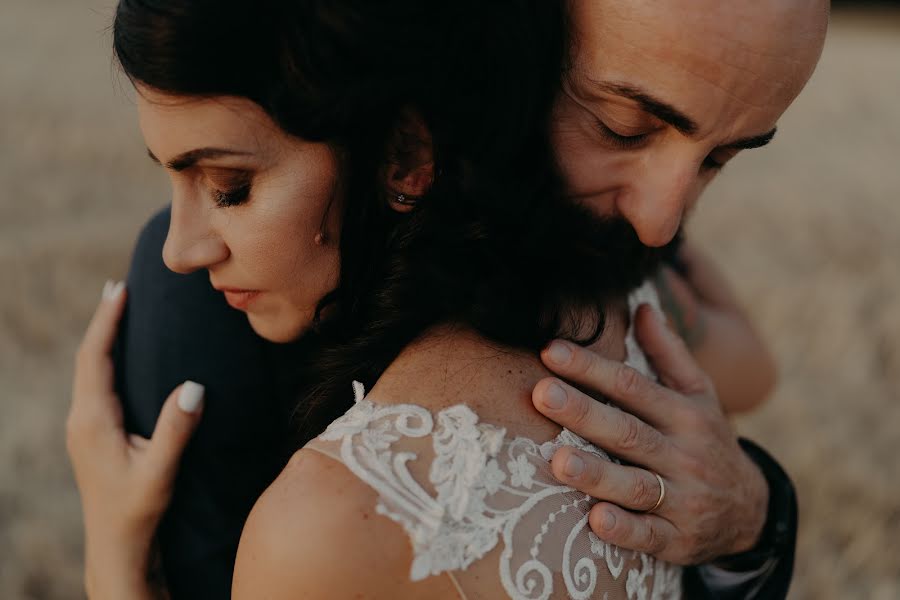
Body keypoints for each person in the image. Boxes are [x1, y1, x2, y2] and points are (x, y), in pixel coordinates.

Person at [66, 0, 826, 597]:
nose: (660, 218)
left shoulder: (593, 226)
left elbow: (742, 363)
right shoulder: (205, 309)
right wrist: (114, 547)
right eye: (622, 126)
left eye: (721, 159)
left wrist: (754, 507)